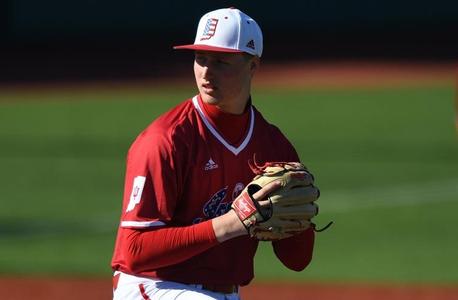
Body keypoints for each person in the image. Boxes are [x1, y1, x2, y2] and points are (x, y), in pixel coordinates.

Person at [111, 7, 315, 300]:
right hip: (154, 286)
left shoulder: (273, 146)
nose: (206, 72)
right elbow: (134, 250)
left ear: (253, 66)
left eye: (221, 61)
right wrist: (232, 223)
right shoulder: (165, 140)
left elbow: (297, 262)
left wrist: (299, 223)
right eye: (200, 59)